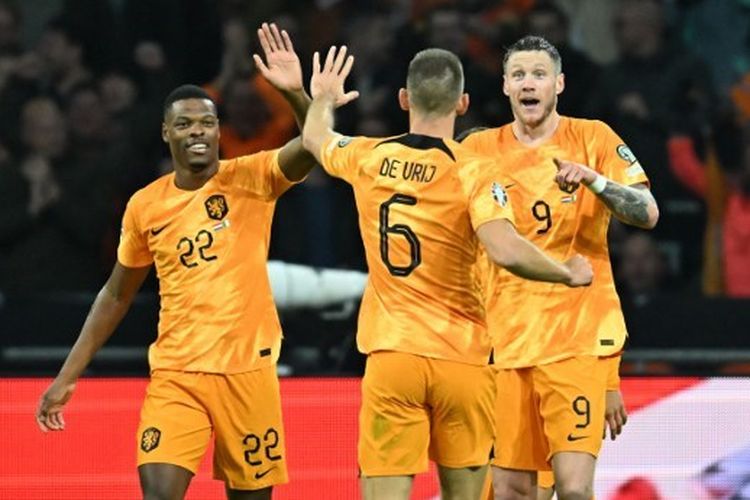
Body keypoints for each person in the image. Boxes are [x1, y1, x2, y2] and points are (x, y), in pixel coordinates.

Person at [35, 23, 318, 500]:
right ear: (167, 132)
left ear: (218, 128)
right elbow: (116, 293)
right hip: (177, 375)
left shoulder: (252, 176)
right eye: (184, 124)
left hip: (247, 372)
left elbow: (315, 146)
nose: (197, 133)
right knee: (159, 491)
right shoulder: (145, 206)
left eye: (206, 122)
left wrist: (295, 94)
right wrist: (67, 377)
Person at [302, 46, 593, 500]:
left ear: (403, 99)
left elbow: (315, 139)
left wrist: (322, 98)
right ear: (462, 104)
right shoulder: (476, 171)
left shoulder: (368, 158)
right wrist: (565, 273)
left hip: (393, 355)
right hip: (465, 361)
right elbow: (504, 248)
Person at [459, 35, 658, 500]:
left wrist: (596, 180)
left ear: (559, 84)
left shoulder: (593, 138)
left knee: (572, 489)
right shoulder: (479, 149)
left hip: (575, 342)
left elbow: (647, 212)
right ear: (506, 86)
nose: (529, 83)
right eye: (519, 75)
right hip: (504, 346)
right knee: (510, 490)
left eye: (539, 74)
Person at [535, 355, 628, 500]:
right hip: (513, 366)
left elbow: (606, 332)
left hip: (574, 366)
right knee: (523, 493)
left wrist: (610, 382)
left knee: (574, 490)